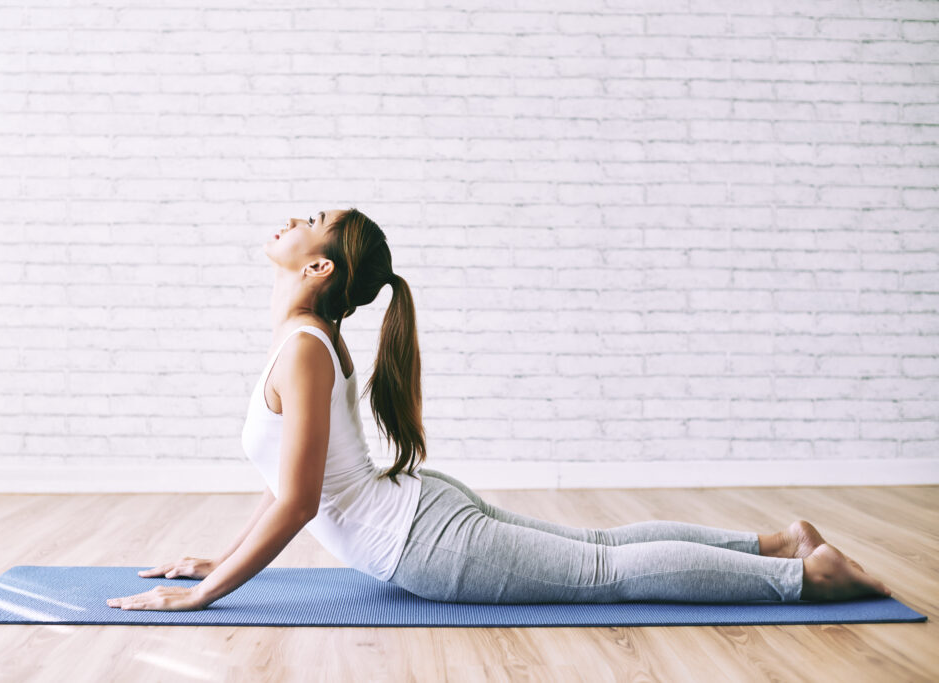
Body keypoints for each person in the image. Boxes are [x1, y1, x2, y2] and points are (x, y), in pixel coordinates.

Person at [107, 208, 892, 611]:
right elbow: (294, 488)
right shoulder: (305, 340)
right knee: (599, 547)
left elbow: (301, 498)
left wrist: (211, 591)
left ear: (315, 264)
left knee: (604, 566)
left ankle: (803, 577)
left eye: (306, 218)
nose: (289, 217)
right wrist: (221, 555)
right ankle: (778, 541)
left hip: (426, 542)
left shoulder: (306, 346)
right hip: (421, 517)